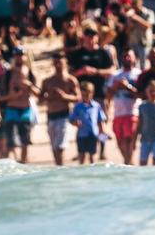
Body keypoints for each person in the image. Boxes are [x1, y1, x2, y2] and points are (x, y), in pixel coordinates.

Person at [67, 26, 115, 159]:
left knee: (101, 123)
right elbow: (69, 73)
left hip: (99, 93)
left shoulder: (103, 53)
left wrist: (96, 71)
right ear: (84, 37)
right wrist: (80, 72)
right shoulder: (77, 54)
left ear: (97, 37)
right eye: (88, 35)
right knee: (82, 123)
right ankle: (82, 151)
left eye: (93, 35)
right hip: (81, 95)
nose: (90, 38)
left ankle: (102, 151)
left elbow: (112, 70)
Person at [40, 53, 80, 166]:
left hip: (64, 115)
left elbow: (78, 98)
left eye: (60, 62)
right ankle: (58, 167)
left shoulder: (70, 80)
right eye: (56, 62)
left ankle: (60, 167)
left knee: (60, 146)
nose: (58, 65)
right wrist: (49, 96)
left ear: (65, 63)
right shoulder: (47, 81)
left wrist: (64, 96)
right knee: (53, 146)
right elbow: (40, 99)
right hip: (50, 115)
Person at [0, 48, 39, 163]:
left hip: (26, 110)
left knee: (25, 141)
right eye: (17, 55)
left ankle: (23, 163)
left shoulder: (30, 73)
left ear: (25, 57)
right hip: (11, 109)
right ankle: (7, 166)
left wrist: (29, 85)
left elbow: (39, 94)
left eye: (21, 55)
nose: (19, 57)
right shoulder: (7, 75)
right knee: (10, 142)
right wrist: (11, 96)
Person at [106, 49, 141, 165]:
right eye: (125, 56)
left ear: (134, 58)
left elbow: (140, 94)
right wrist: (116, 86)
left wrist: (127, 87)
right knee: (120, 142)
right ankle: (129, 163)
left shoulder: (138, 74)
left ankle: (129, 164)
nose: (127, 59)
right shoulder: (115, 75)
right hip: (117, 114)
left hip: (132, 112)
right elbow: (108, 95)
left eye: (129, 56)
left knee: (129, 142)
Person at [69, 82, 106, 165]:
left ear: (92, 93)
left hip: (93, 134)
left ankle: (92, 173)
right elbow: (71, 119)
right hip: (81, 135)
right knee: (81, 156)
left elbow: (101, 120)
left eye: (87, 95)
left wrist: (102, 132)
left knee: (92, 156)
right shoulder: (77, 106)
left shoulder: (96, 106)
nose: (85, 97)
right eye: (83, 95)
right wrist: (75, 123)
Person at [125, 0, 155, 70]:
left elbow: (148, 26)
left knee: (143, 65)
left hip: (144, 42)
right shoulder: (131, 15)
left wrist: (137, 19)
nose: (135, 9)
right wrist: (130, 22)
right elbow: (127, 31)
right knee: (133, 64)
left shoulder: (149, 13)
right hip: (133, 42)